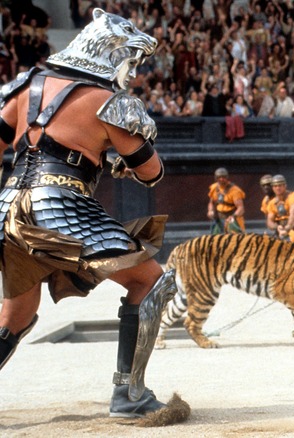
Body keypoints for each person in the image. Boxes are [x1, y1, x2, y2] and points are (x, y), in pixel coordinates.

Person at [0, 8, 188, 422]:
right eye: (131, 61)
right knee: (151, 281)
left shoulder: (21, 87)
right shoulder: (109, 102)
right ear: (114, 55)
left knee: (15, 317)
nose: (132, 71)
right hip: (60, 205)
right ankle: (131, 395)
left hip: (8, 207)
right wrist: (119, 159)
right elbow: (151, 172)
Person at [265, 174, 294, 242]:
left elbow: (293, 216)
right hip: (280, 233)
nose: (278, 188)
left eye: (280, 185)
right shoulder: (272, 203)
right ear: (272, 188)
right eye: (275, 186)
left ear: (285, 186)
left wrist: (287, 229)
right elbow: (270, 221)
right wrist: (277, 227)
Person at [207, 167, 246, 233]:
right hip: (219, 218)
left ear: (227, 177)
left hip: (232, 219)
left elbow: (241, 208)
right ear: (216, 178)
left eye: (224, 177)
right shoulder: (214, 188)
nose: (221, 179)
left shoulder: (235, 191)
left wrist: (233, 216)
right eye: (219, 177)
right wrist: (210, 211)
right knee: (214, 239)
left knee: (234, 239)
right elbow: (211, 202)